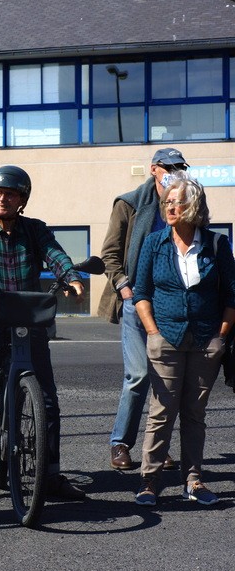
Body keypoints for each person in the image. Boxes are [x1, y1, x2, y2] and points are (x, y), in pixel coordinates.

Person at [0, 165, 86, 507]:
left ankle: (50, 473)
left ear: (22, 200)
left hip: (26, 313)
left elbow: (55, 254)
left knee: (48, 396)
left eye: (9, 194)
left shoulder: (34, 230)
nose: (0, 198)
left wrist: (71, 277)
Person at [133, 175, 235, 506]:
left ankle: (193, 480)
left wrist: (220, 336)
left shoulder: (217, 244)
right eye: (167, 202)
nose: (171, 208)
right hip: (165, 338)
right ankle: (149, 481)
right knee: (162, 411)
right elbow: (141, 293)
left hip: (206, 341)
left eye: (178, 201)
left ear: (194, 205)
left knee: (194, 413)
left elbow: (232, 296)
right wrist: (152, 332)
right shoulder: (154, 243)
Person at [98, 147, 190, 470]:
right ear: (154, 169)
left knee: (163, 378)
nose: (175, 172)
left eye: (180, 167)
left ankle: (156, 448)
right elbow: (110, 253)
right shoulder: (129, 204)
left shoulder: (183, 204)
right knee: (138, 375)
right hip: (136, 301)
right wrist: (124, 287)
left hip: (170, 303)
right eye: (169, 167)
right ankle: (120, 443)